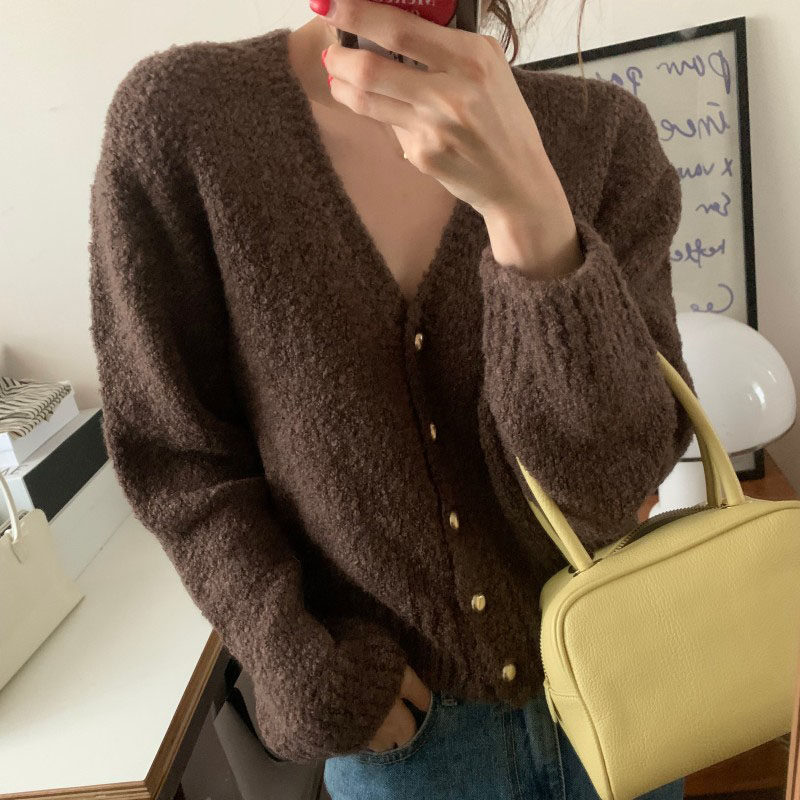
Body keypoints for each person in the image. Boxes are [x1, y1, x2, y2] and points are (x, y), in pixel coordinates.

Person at [88, 0, 695, 797]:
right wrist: (295, 658)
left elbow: (617, 490)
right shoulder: (182, 124)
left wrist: (528, 213)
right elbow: (179, 459)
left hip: (623, 702)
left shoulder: (602, 134)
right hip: (411, 746)